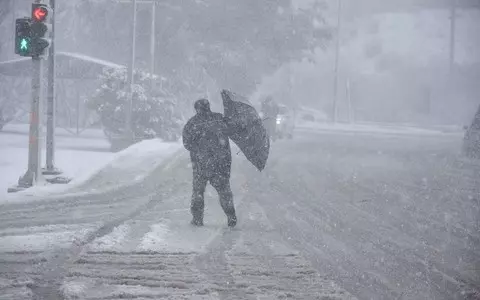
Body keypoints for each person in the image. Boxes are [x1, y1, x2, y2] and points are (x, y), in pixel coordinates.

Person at [182, 99, 237, 227]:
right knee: (224, 191)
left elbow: (187, 143)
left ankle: (197, 219)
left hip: (201, 164)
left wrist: (198, 150)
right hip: (220, 164)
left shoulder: (192, 123)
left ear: (197, 109)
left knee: (198, 192)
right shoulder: (219, 119)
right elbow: (232, 130)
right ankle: (231, 215)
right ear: (208, 107)